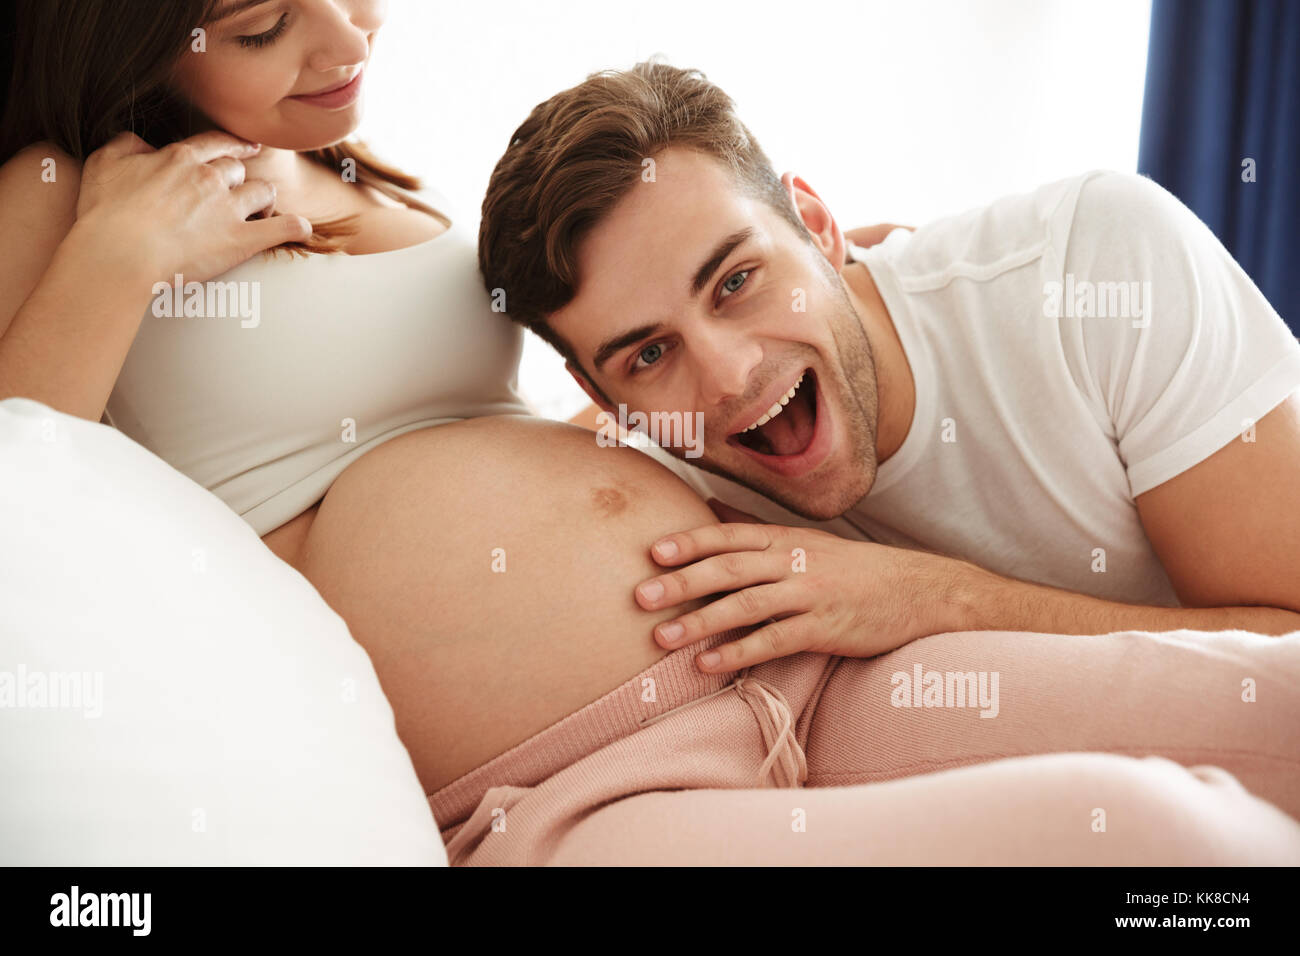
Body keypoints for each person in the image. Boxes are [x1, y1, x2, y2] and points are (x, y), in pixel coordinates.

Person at [2, 5, 1296, 864]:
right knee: (1162, 842)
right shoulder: (66, 192)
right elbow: (25, 492)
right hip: (588, 790)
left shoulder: (349, 160)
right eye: (261, 24)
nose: (338, 35)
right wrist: (121, 256)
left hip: (801, 671)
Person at [477, 60, 1300, 676]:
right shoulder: (648, 472)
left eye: (735, 281)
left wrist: (948, 601)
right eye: (650, 354)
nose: (727, 378)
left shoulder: (1095, 266)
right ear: (603, 397)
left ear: (816, 225)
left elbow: (1290, 641)